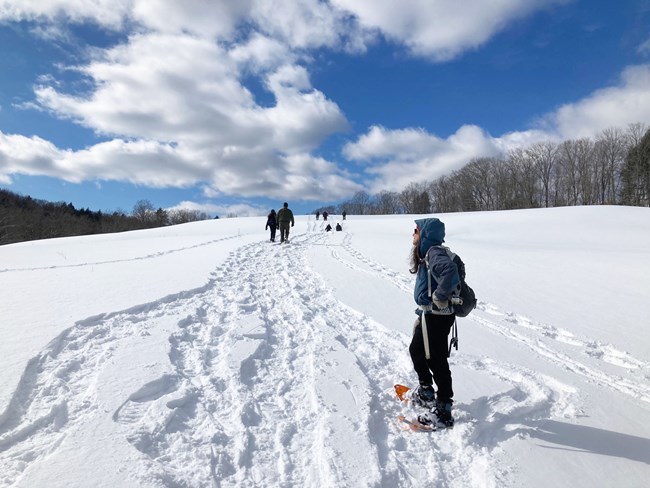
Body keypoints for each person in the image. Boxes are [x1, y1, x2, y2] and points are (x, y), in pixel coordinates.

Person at [408, 217, 458, 428]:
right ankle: (427, 391)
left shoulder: (434, 252)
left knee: (436, 359)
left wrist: (439, 294)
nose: (413, 235)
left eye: (416, 231)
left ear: (425, 234)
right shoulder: (428, 254)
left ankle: (444, 408)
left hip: (437, 316)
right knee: (417, 350)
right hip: (429, 314)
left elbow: (449, 272)